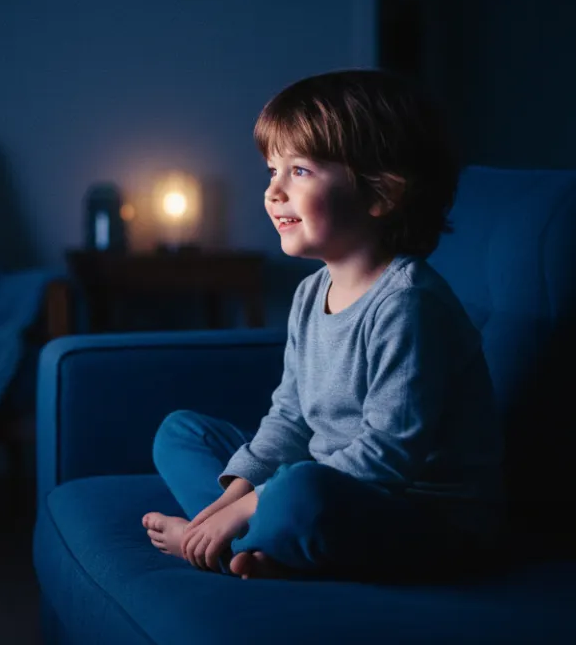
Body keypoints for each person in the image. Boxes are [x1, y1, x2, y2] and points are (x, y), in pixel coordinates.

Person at [141, 69, 504, 581]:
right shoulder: (311, 293)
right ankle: (237, 541)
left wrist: (253, 505)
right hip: (322, 484)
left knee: (299, 492)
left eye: (301, 171)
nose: (274, 191)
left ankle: (235, 543)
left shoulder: (409, 304)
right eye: (272, 170)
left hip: (423, 517)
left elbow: (389, 457)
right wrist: (234, 496)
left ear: (381, 193)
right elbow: (291, 417)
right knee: (181, 433)